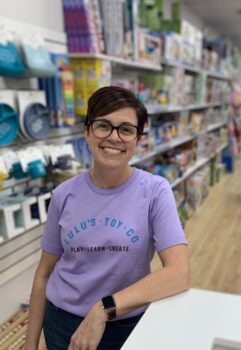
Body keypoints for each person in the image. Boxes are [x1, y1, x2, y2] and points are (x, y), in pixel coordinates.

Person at [25, 86, 190, 350]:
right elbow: (43, 275)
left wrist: (103, 309)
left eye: (126, 129)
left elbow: (179, 274)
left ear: (137, 139)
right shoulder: (63, 195)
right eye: (103, 125)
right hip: (61, 325)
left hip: (126, 326)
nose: (114, 137)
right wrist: (30, 344)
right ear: (87, 131)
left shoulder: (155, 191)